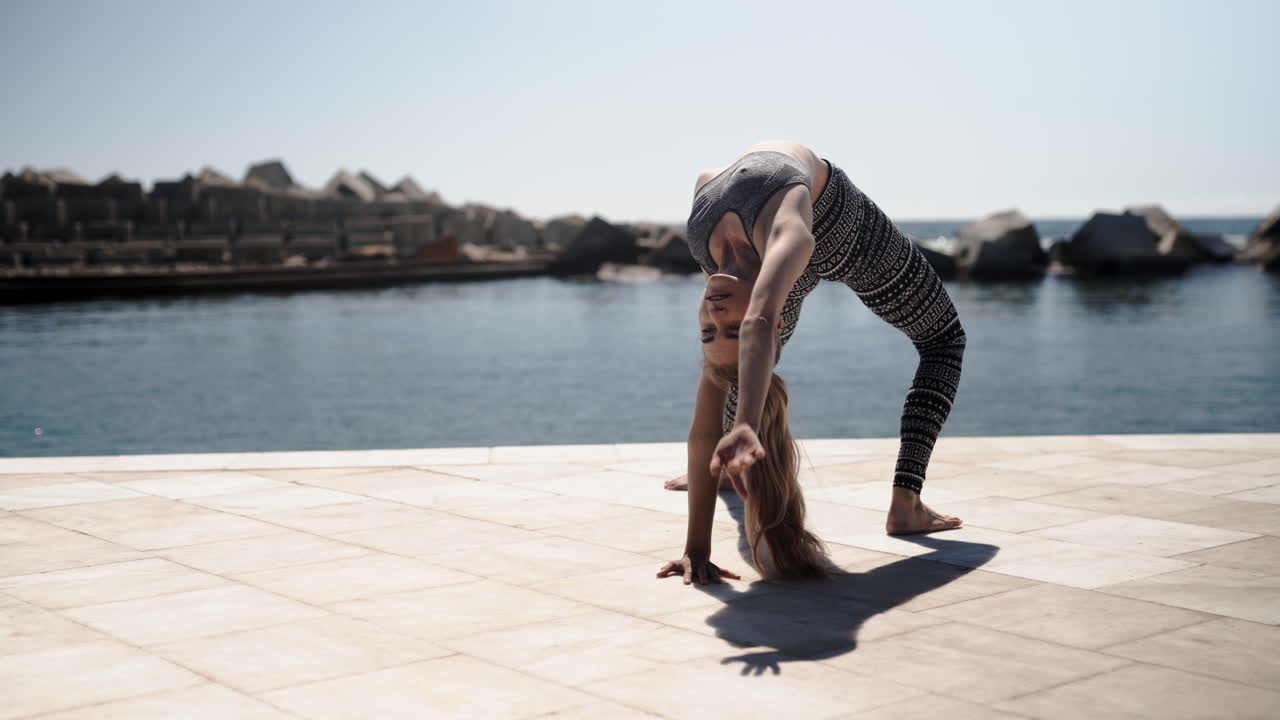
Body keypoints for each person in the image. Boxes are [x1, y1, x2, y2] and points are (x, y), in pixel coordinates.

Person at [657, 140, 967, 585]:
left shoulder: (703, 228)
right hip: (847, 233)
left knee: (730, 372)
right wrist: (695, 551)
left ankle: (728, 463)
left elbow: (750, 330)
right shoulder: (786, 242)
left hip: (803, 240)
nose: (715, 315)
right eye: (729, 328)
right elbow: (757, 321)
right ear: (778, 317)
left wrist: (739, 423)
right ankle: (906, 503)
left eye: (709, 329)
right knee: (944, 339)